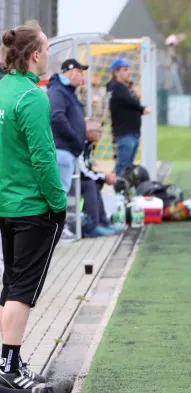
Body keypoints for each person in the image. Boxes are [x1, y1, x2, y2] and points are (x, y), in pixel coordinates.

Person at [0, 22, 67, 389]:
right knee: (22, 291)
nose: (49, 58)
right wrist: (59, 205)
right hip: (32, 208)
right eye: (47, 51)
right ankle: (8, 369)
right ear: (36, 55)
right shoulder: (33, 96)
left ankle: (9, 360)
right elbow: (44, 159)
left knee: (10, 285)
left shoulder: (3, 89)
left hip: (6, 205)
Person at [47, 59, 89, 242]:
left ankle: (57, 229)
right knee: (60, 192)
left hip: (67, 150)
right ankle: (57, 229)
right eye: (79, 72)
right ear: (71, 72)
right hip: (62, 150)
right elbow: (56, 117)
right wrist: (74, 139)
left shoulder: (67, 91)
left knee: (61, 192)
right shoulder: (58, 90)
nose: (81, 76)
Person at [106, 57, 152, 176]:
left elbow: (129, 106)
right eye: (125, 70)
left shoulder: (125, 88)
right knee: (123, 166)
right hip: (125, 134)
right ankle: (119, 190)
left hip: (132, 133)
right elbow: (131, 102)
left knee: (128, 167)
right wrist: (142, 108)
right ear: (116, 72)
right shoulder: (116, 87)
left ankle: (125, 190)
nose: (129, 72)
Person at [79, 124, 120, 237]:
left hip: (80, 178)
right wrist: (104, 176)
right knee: (90, 184)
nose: (101, 135)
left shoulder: (89, 145)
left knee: (95, 183)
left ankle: (103, 222)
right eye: (99, 131)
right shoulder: (80, 144)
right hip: (71, 180)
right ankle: (92, 226)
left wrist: (102, 176)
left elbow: (88, 168)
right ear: (89, 132)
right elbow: (81, 170)